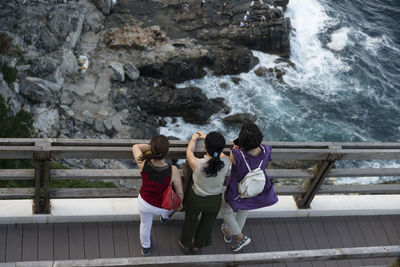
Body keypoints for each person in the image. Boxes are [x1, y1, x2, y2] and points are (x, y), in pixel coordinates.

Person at [220, 123, 278, 252]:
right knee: (244, 211)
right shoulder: (266, 150)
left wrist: (236, 148)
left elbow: (231, 163)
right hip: (254, 189)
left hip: (236, 190)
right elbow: (265, 166)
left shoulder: (236, 154)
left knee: (225, 210)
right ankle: (229, 232)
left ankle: (239, 236)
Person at [178, 131, 230, 254]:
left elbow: (189, 152)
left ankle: (184, 243)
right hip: (214, 201)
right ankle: (197, 245)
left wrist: (194, 138)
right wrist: (211, 141)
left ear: (205, 147)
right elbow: (220, 154)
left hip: (196, 199)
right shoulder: (226, 162)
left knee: (191, 220)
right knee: (207, 223)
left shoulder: (198, 164)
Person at [132, 135, 184, 256]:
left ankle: (146, 248)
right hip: (162, 206)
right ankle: (165, 217)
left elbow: (135, 146)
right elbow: (179, 193)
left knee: (145, 225)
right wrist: (179, 202)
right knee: (170, 205)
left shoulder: (143, 163)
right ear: (168, 152)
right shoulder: (173, 170)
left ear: (152, 149)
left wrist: (153, 147)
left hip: (144, 203)